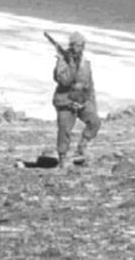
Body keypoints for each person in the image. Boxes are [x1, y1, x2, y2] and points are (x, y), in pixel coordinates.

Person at [52, 31, 102, 168]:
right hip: (65, 101)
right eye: (76, 45)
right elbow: (64, 81)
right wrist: (70, 64)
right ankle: (62, 157)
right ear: (71, 45)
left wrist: (91, 102)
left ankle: (83, 146)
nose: (79, 48)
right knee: (64, 129)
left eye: (81, 45)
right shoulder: (62, 61)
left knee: (95, 122)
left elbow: (90, 84)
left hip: (81, 101)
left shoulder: (85, 62)